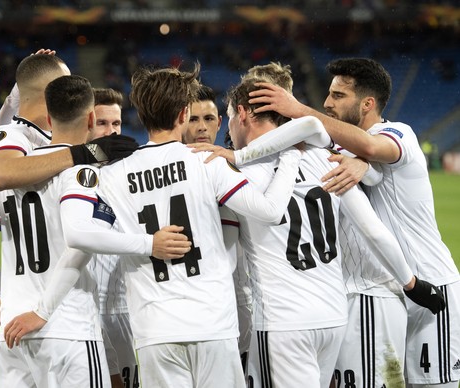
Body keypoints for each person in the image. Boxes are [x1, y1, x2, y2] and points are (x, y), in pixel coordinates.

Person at [189, 62, 445, 387]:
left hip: (283, 318)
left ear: (241, 113)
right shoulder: (326, 157)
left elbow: (229, 253)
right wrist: (412, 284)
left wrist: (238, 157)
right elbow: (374, 228)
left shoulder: (236, 172)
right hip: (333, 315)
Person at [65, 63, 315, 388]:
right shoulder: (207, 161)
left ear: (140, 115)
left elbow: (83, 235)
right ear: (184, 114)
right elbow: (268, 211)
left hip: (154, 329)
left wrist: (146, 244)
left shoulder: (114, 176)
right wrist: (291, 156)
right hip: (213, 323)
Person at [0, 74, 190, 387]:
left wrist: (5, 292)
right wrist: (150, 243)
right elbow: (80, 241)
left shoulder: (15, 173)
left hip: (13, 332)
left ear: (48, 118)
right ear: (92, 117)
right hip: (68, 327)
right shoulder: (81, 173)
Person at [0, 51, 138, 191]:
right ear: (49, 89)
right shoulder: (14, 134)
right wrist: (85, 153)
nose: (70, 87)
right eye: (65, 82)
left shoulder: (56, 136)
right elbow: (1, 175)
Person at [184, 84, 253, 373]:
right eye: (193, 119)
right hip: (195, 304)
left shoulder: (238, 166)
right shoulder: (172, 172)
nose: (202, 127)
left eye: (208, 119)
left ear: (220, 122)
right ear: (180, 120)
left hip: (244, 302)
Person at [87, 87, 139, 388]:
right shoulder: (68, 173)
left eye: (116, 124)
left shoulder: (130, 175)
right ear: (86, 122)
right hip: (78, 309)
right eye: (102, 123)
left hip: (120, 309)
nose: (111, 132)